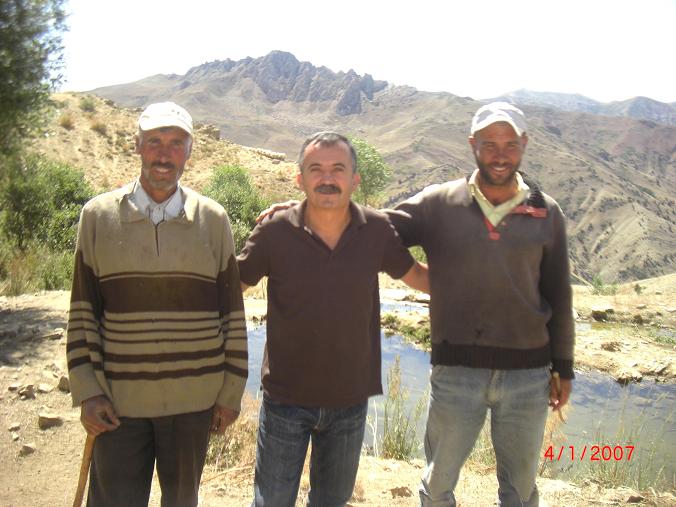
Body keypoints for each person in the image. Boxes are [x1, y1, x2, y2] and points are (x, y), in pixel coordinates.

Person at [386, 102, 575, 506]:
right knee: (438, 486)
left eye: (510, 144)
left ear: (524, 144)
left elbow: (559, 292)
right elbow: (376, 231)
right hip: (456, 371)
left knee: (520, 490)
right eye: (489, 144)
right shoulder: (439, 202)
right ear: (473, 144)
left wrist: (563, 366)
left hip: (528, 376)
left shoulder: (546, 211)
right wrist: (416, 274)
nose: (500, 155)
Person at [66, 102, 248, 507]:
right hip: (117, 403)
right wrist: (88, 392)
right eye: (154, 142)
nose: (164, 154)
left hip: (193, 403)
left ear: (189, 152)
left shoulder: (214, 220)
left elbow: (232, 315)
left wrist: (231, 393)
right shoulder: (97, 216)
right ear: (137, 146)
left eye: (176, 143)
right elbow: (82, 313)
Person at [237, 131, 429, 507]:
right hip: (285, 399)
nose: (327, 178)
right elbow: (230, 288)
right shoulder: (274, 231)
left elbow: (420, 278)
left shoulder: (375, 230)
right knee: (271, 501)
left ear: (355, 179)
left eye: (338, 169)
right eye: (316, 169)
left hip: (349, 400)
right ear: (300, 178)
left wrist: (483, 278)